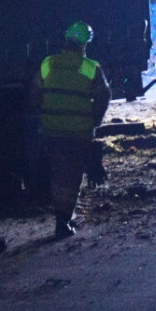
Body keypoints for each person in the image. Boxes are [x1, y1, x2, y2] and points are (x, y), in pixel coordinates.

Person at [30, 22, 111, 238]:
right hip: (78, 134)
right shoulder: (91, 68)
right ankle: (62, 222)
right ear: (85, 44)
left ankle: (63, 217)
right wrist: (94, 120)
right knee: (72, 178)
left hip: (51, 131)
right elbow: (104, 95)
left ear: (65, 41)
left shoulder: (48, 64)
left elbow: (35, 93)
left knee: (57, 174)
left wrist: (46, 113)